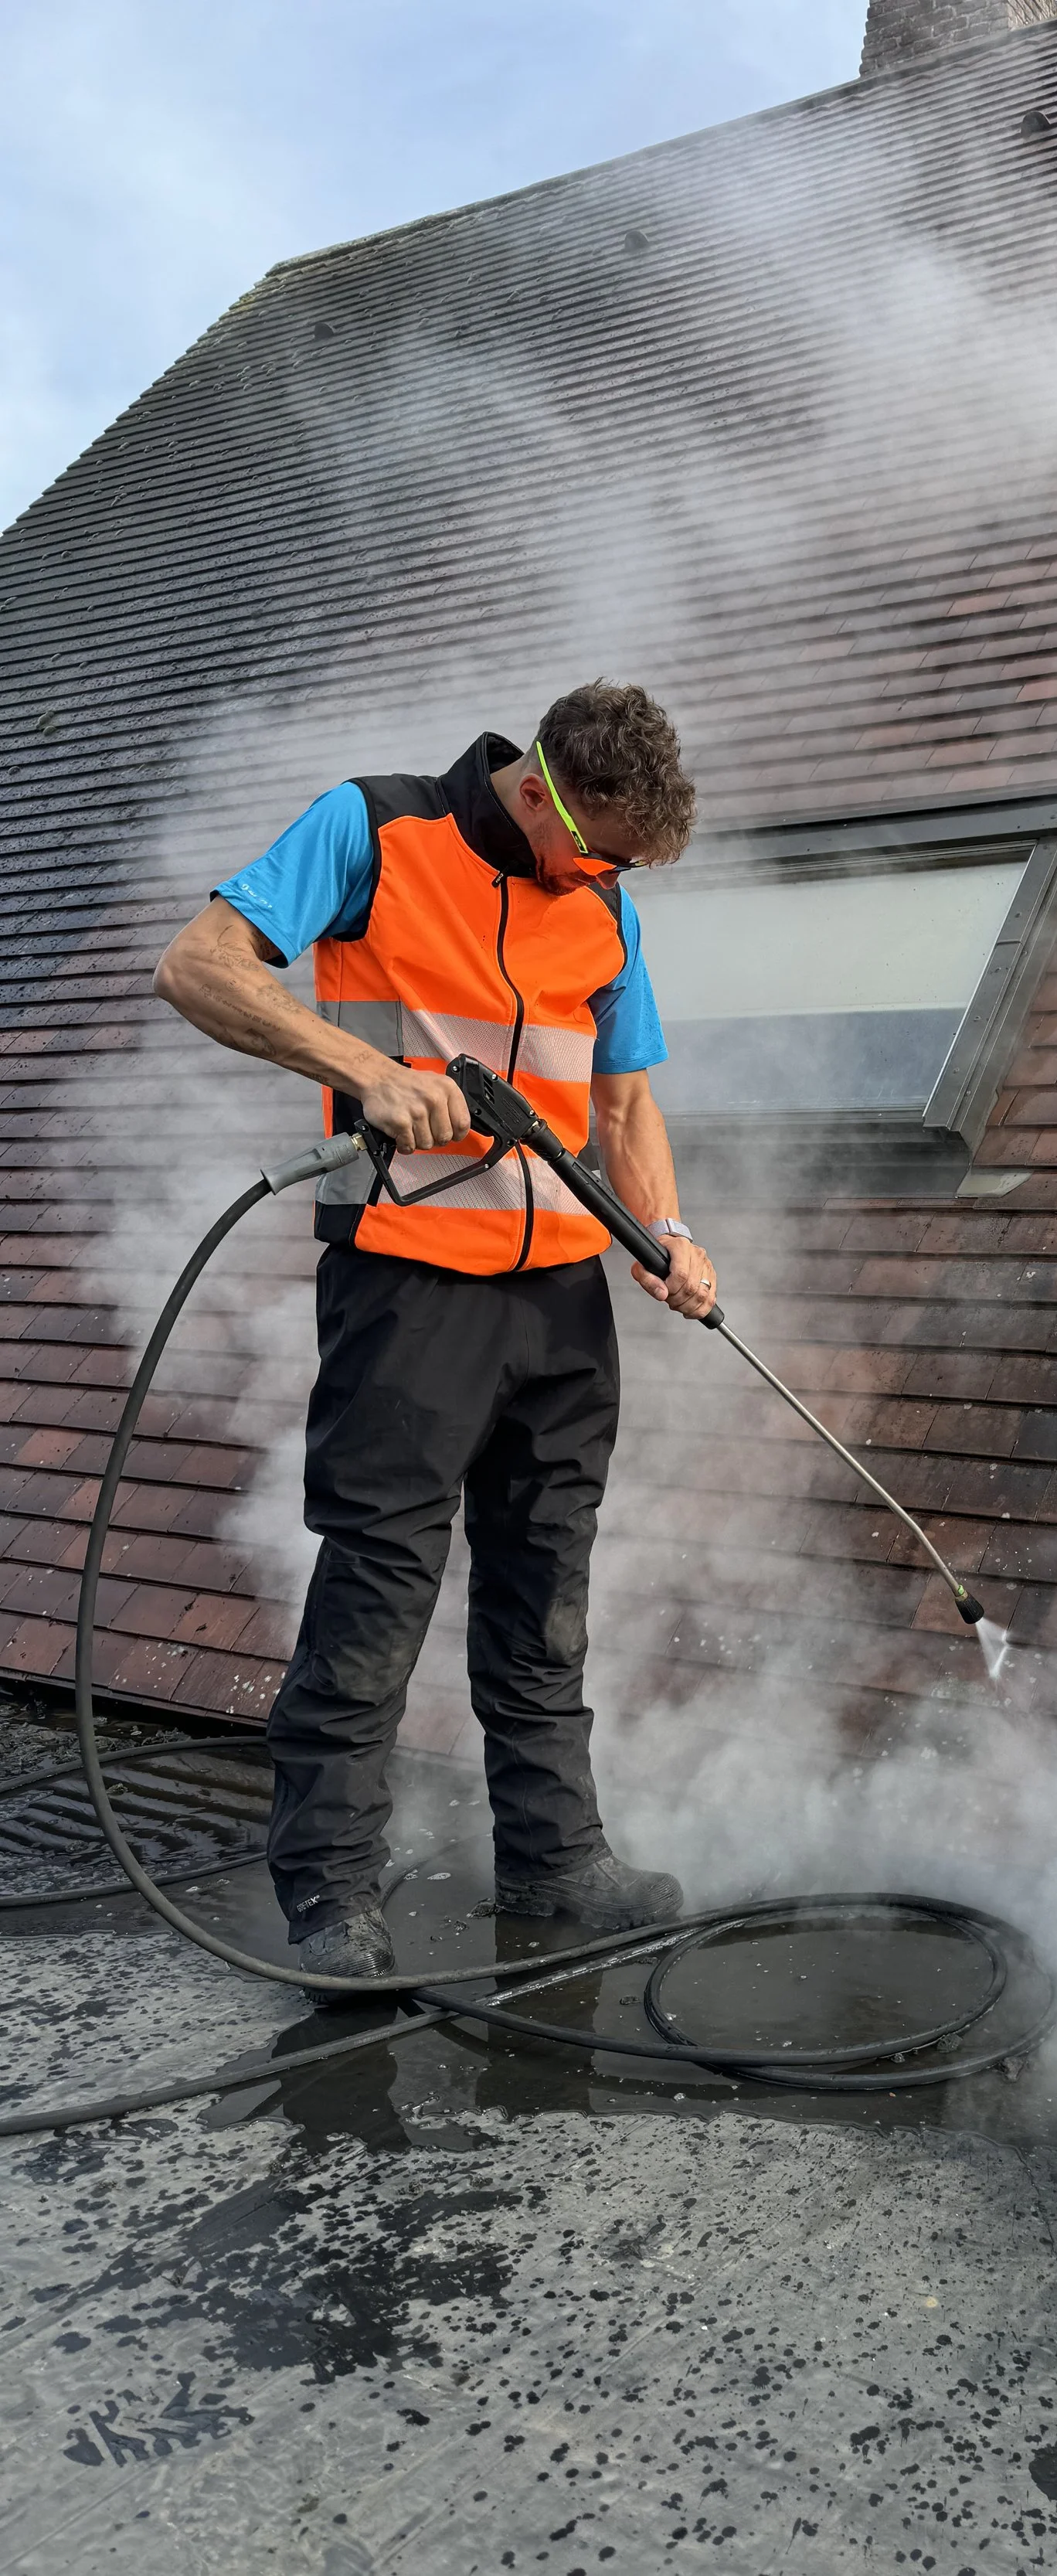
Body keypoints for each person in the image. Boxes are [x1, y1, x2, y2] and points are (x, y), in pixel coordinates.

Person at [152, 681, 715, 1997]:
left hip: (563, 1300)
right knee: (377, 1594)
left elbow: (624, 1101)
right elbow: (198, 967)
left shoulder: (605, 900)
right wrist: (364, 1072)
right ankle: (331, 1897)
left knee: (544, 1596)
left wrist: (670, 1232)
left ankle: (556, 1863)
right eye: (607, 854)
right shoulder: (372, 832)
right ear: (540, 793)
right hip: (407, 1287)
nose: (614, 882)